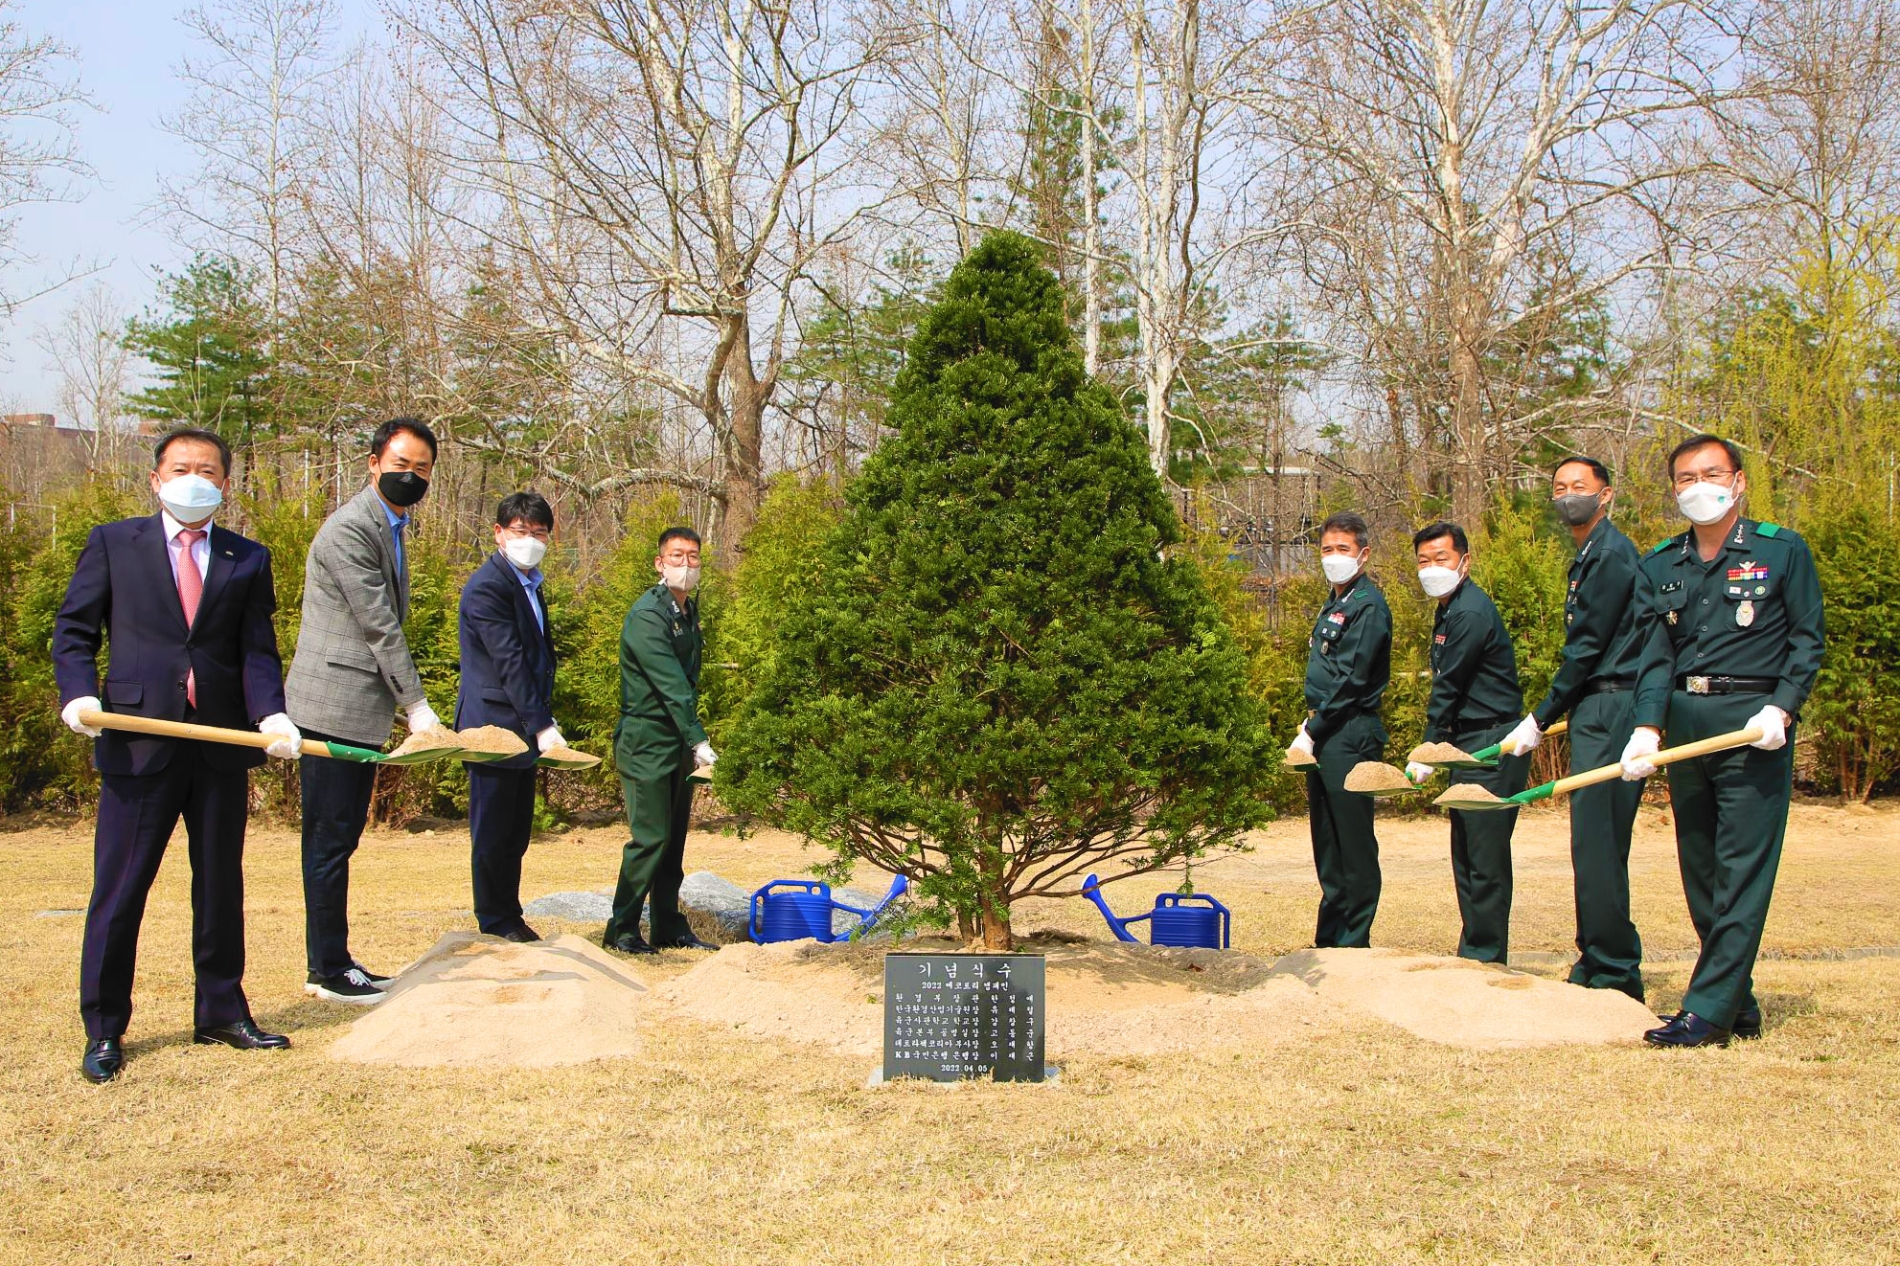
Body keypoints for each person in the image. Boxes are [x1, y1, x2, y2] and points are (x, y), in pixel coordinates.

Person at [53, 428, 302, 1082]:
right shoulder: (114, 543)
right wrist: (77, 696)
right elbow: (74, 631)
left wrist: (270, 711)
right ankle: (105, 1027)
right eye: (182, 467)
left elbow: (256, 650)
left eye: (208, 469)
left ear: (225, 483)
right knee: (121, 888)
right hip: (137, 741)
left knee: (220, 884)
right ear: (156, 478)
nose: (195, 478)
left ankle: (221, 1009)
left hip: (219, 746)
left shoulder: (247, 557)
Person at [1621, 434, 1825, 1048]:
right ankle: (1737, 1002)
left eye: (1711, 473)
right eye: (1685, 477)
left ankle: (1707, 1011)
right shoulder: (1660, 564)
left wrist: (1781, 709)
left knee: (1741, 871)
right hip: (1688, 722)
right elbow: (1654, 655)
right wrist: (1646, 725)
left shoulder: (1780, 550)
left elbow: (1807, 640)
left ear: (1738, 482)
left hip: (1752, 723)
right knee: (1701, 869)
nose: (1697, 486)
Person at [284, 417, 448, 1005]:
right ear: (374, 463)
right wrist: (418, 707)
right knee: (330, 839)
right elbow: (378, 624)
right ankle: (326, 969)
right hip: (332, 702)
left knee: (342, 837)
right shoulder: (351, 529)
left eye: (422, 468)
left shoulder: (393, 526)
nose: (411, 476)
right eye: (400, 465)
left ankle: (336, 958)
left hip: (357, 705)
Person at [1498, 456, 1649, 1001]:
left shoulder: (1610, 555)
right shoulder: (1588, 553)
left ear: (1605, 495)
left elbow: (1586, 648)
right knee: (1589, 841)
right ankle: (1596, 955)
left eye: (1578, 487)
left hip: (1611, 705)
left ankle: (1615, 967)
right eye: (1559, 487)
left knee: (1600, 839)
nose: (1568, 495)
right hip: (1593, 707)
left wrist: (1540, 718)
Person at [1405, 521, 1529, 963]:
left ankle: (1486, 954)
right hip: (1468, 744)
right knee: (1466, 851)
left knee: (1485, 854)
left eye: (1441, 559)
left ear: (1464, 561)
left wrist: (1427, 748)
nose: (1431, 568)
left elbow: (1449, 686)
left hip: (1492, 742)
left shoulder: (1471, 612)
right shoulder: (1450, 608)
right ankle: (1474, 948)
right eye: (1423, 561)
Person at [602, 526, 719, 955]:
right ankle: (622, 930)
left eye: (693, 557)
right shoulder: (648, 615)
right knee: (649, 838)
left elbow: (688, 682)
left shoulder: (685, 611)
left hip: (674, 743)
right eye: (676, 556)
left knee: (672, 841)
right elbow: (671, 687)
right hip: (646, 738)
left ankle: (668, 925)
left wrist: (689, 742)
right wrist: (700, 740)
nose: (685, 565)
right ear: (659, 562)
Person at [455, 492, 566, 942]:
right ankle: (495, 919)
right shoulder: (489, 586)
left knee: (516, 831)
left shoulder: (530, 585)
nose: (530, 540)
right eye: (521, 531)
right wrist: (543, 725)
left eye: (539, 533)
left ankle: (509, 912)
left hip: (520, 726)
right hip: (491, 726)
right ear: (499, 533)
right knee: (494, 831)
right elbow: (510, 661)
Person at [1288, 510, 1392, 948]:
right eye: (1327, 549)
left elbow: (1352, 679)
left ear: (1363, 554)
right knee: (1327, 841)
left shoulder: (1368, 605)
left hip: (1348, 732)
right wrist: (1312, 726)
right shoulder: (1335, 601)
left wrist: (1314, 730)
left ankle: (1354, 938)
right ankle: (1330, 937)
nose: (1333, 558)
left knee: (1352, 841)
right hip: (1323, 731)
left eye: (1343, 550)